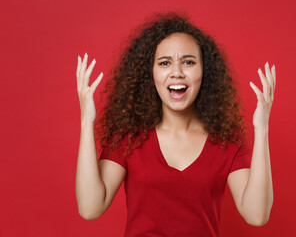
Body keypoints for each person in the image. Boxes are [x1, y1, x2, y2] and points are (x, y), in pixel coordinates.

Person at [75, 12, 275, 236]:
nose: (177, 73)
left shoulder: (225, 139)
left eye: (188, 62)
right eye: (165, 63)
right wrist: (86, 121)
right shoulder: (129, 137)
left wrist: (262, 128)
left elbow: (257, 215)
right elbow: (90, 207)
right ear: (150, 73)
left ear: (204, 72)